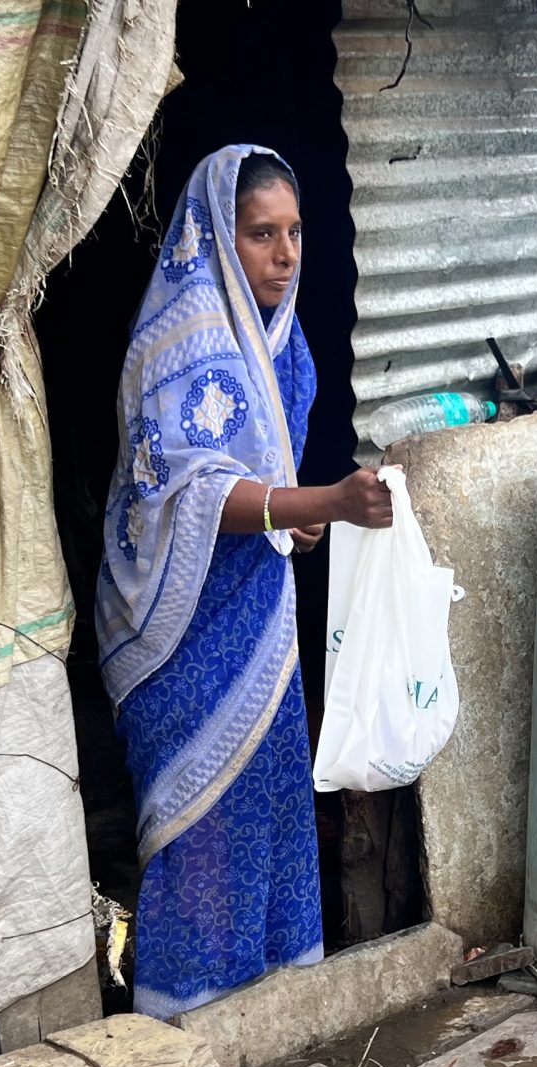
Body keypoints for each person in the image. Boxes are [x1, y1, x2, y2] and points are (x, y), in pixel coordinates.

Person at [95, 145, 394, 1020]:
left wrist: (296, 517)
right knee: (202, 827)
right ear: (217, 240)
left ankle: (268, 1008)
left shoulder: (285, 343)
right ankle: (184, 1020)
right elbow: (192, 489)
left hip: (257, 616)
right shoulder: (178, 344)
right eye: (262, 234)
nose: (286, 253)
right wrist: (328, 500)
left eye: (295, 232)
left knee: (267, 808)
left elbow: (261, 479)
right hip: (180, 632)